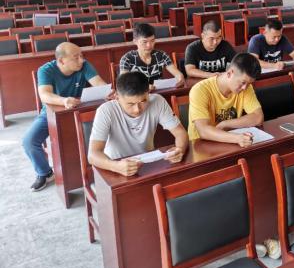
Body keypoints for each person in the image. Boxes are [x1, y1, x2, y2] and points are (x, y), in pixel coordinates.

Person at [23, 42, 110, 191]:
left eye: (82, 56)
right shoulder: (46, 70)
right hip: (52, 113)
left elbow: (100, 85)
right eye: (76, 57)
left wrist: (108, 92)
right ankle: (45, 173)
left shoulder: (84, 65)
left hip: (81, 110)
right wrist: (63, 101)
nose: (81, 60)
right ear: (61, 61)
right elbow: (45, 95)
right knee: (29, 141)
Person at [87, 72, 189, 177]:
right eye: (130, 104)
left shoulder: (158, 101)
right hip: (116, 166)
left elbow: (180, 133)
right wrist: (116, 166)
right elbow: (93, 155)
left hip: (147, 163)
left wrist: (180, 149)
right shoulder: (106, 111)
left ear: (148, 92)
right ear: (117, 97)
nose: (137, 109)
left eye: (143, 101)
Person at [187, 52, 264, 145]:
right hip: (201, 144)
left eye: (249, 83)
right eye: (243, 82)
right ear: (229, 73)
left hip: (228, 140)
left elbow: (258, 117)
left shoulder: (246, 87)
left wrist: (225, 124)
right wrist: (237, 138)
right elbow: (203, 131)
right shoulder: (200, 90)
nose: (244, 88)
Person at [119, 23, 184, 86]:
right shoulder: (127, 59)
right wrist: (144, 87)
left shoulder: (162, 55)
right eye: (144, 42)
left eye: (152, 41)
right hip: (137, 92)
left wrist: (180, 78)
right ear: (135, 42)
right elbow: (123, 83)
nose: (149, 45)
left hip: (159, 91)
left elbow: (177, 73)